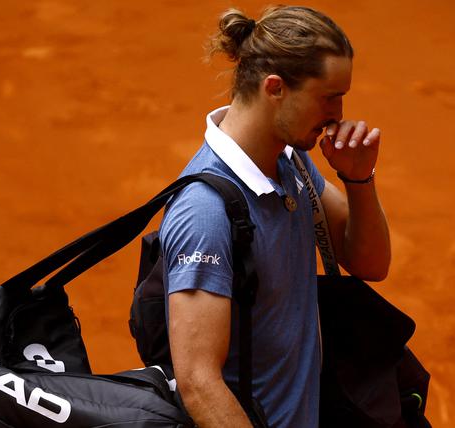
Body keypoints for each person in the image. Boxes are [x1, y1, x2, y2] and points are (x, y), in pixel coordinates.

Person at [160, 5, 391, 427]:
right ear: (275, 88)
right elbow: (198, 381)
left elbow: (371, 263)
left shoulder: (291, 163)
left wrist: (359, 180)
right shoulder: (205, 212)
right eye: (328, 97)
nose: (338, 114)